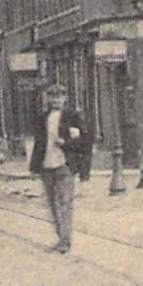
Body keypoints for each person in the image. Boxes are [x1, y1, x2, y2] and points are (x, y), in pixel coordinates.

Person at [29, 85, 88, 254]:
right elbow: (38, 143)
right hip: (46, 165)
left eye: (59, 96)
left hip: (64, 165)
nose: (55, 100)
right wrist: (34, 166)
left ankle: (65, 241)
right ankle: (60, 236)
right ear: (48, 99)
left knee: (65, 203)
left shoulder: (72, 116)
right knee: (53, 204)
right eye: (52, 97)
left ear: (65, 98)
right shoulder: (43, 117)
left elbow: (84, 140)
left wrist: (66, 143)